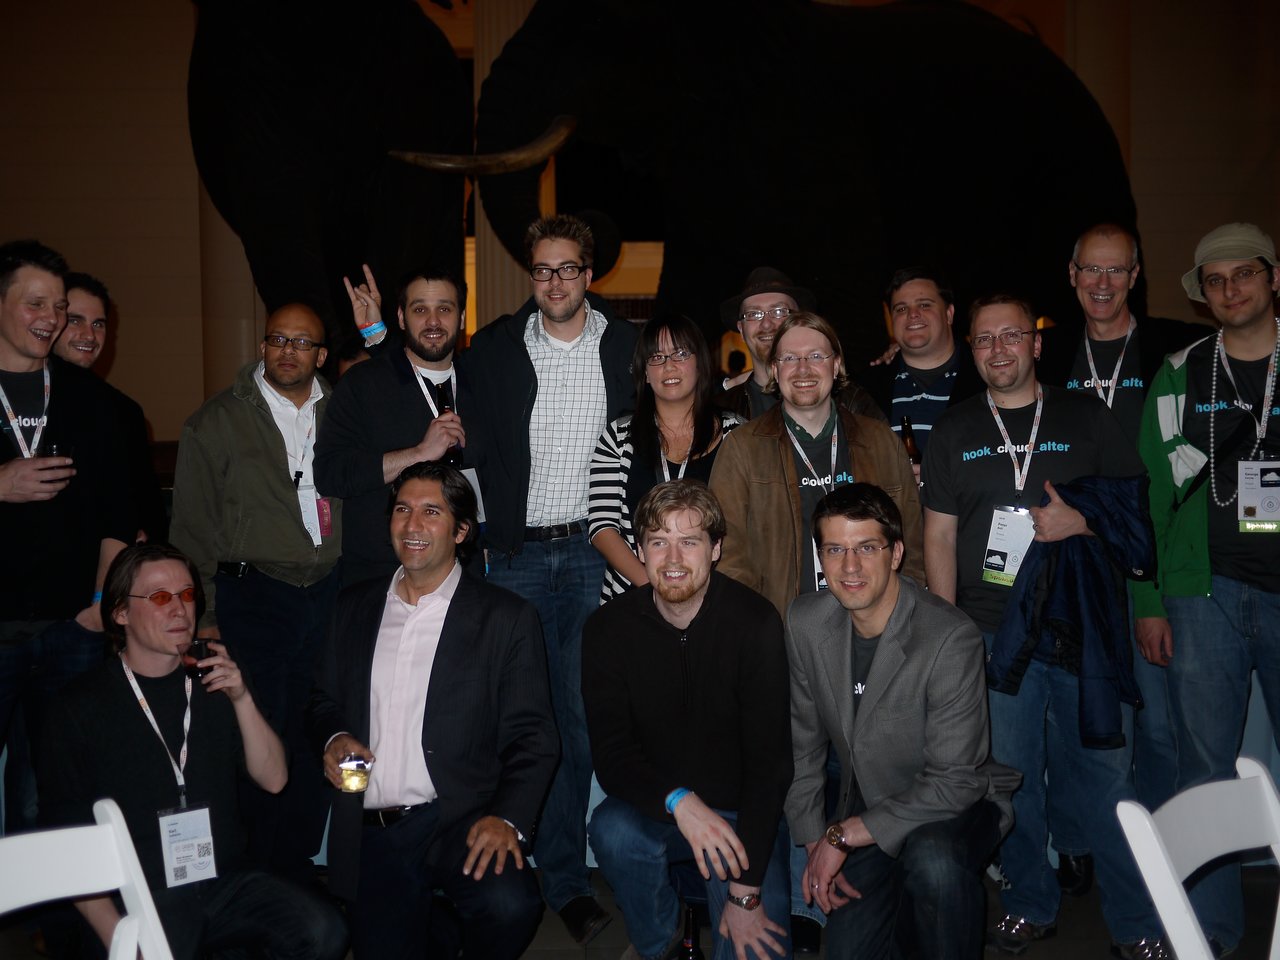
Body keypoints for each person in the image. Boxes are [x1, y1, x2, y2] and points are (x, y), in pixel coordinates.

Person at [922, 295, 1167, 959]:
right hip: (991, 635)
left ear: (1035, 343)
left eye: (1011, 336)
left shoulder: (1085, 416)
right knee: (1010, 780)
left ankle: (1137, 920)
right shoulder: (954, 429)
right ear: (971, 350)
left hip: (1082, 629)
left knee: (1109, 781)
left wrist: (1082, 520)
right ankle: (1029, 903)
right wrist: (947, 636)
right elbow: (938, 537)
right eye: (984, 340)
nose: (998, 350)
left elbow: (1137, 513)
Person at [37, 543, 347, 960]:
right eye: (160, 597)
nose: (180, 609)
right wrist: (120, 941)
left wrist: (242, 699)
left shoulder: (216, 680)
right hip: (139, 891)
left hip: (221, 880)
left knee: (324, 931)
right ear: (120, 612)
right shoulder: (77, 707)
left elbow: (275, 780)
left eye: (186, 594)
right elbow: (69, 845)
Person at [461, 213, 638, 942]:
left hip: (598, 554)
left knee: (580, 719)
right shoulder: (495, 349)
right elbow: (457, 429)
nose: (555, 281)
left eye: (568, 268)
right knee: (521, 720)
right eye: (543, 269)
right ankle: (518, 870)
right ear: (530, 276)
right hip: (519, 558)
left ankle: (566, 877)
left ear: (588, 275)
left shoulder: (624, 346)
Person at [307, 462, 558, 959]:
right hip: (374, 823)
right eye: (402, 510)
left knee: (509, 906)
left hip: (460, 816)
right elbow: (320, 700)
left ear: (461, 531)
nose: (412, 525)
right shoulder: (353, 607)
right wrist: (333, 737)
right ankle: (437, 930)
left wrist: (507, 817)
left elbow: (534, 735)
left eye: (431, 512)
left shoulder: (504, 617)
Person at [786, 483, 1018, 960]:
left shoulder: (949, 637)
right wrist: (813, 840)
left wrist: (841, 836)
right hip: (868, 804)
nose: (850, 567)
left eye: (866, 548)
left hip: (955, 806)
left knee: (934, 862)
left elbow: (953, 782)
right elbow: (802, 744)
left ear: (895, 554)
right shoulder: (806, 622)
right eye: (835, 550)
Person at [1038, 224, 1202, 896]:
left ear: (1135, 276)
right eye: (1091, 270)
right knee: (1074, 719)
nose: (1102, 284)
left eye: (1116, 271)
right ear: (1072, 274)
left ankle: (1162, 860)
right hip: (1073, 562)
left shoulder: (1176, 349)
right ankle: (1083, 846)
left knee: (1158, 727)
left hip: (1148, 557)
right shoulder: (1050, 354)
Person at [1135, 222, 1280, 957]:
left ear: (1273, 278)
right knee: (1204, 767)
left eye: (1243, 274)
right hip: (1203, 594)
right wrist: (1149, 601)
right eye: (1215, 281)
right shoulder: (1181, 373)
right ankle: (1211, 929)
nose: (1230, 290)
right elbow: (1152, 496)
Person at [583, 479, 793, 960]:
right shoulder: (607, 630)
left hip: (740, 818)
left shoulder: (754, 623)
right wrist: (679, 800)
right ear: (640, 551)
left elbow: (770, 766)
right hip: (659, 811)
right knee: (612, 830)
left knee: (758, 950)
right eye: (659, 542)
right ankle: (660, 943)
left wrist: (745, 894)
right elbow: (612, 757)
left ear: (715, 550)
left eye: (689, 541)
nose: (673, 558)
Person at [169, 302, 343, 879]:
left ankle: (295, 867)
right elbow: (191, 527)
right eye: (277, 339)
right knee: (252, 733)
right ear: (263, 346)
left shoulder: (345, 412)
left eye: (302, 342)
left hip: (328, 591)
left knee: (315, 730)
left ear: (321, 355)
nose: (287, 351)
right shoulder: (215, 421)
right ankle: (251, 875)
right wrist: (203, 616)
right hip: (252, 596)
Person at [0, 241, 134, 834]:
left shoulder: (91, 400)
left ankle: (51, 899)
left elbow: (118, 517)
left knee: (53, 792)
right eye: (36, 303)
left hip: (70, 631)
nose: (51, 318)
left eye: (58, 305)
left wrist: (99, 606)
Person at [710, 311, 924, 618]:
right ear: (774, 369)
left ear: (835, 365)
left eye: (815, 356)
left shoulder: (881, 442)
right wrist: (761, 628)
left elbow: (911, 545)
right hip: (782, 627)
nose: (803, 369)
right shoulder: (742, 448)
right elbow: (729, 557)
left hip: (873, 625)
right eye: (789, 358)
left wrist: (897, 620)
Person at [314, 265, 468, 586]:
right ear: (401, 317)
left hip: (463, 574)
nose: (433, 321)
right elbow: (330, 475)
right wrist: (418, 454)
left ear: (462, 318)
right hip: (379, 576)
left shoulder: (481, 382)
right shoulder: (362, 384)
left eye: (444, 309)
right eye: (420, 309)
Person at [588, 313, 741, 602]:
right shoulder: (618, 436)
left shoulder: (736, 434)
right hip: (633, 595)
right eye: (656, 357)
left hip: (715, 597)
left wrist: (700, 594)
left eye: (681, 354)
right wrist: (654, 589)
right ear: (645, 372)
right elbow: (601, 526)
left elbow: (744, 527)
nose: (669, 365)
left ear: (700, 363)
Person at [51, 271, 167, 542]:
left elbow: (147, 506)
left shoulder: (125, 411)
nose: (89, 335)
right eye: (75, 320)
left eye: (98, 324)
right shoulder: (23, 398)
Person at [718, 267, 882, 423]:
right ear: (741, 329)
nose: (766, 324)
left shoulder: (851, 401)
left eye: (778, 311)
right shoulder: (721, 411)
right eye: (753, 314)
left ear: (800, 320)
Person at [862, 267, 984, 474]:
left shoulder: (985, 377)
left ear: (949, 314)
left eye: (924, 305)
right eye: (901, 309)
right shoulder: (867, 389)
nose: (912, 315)